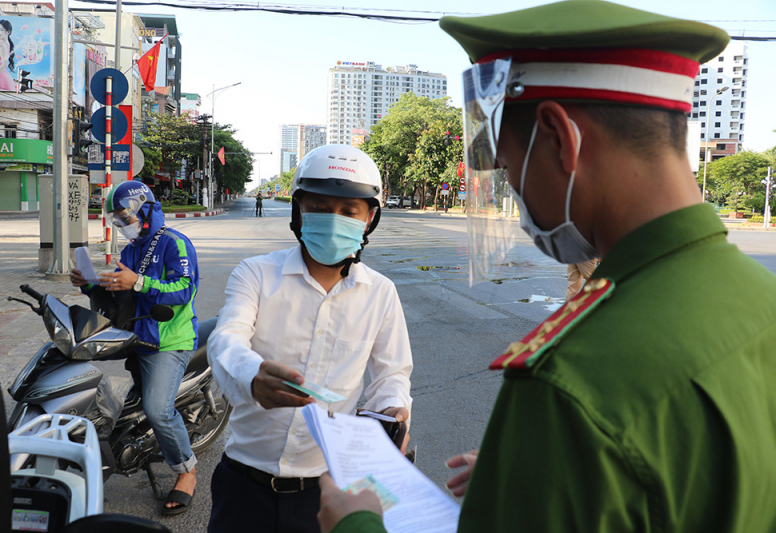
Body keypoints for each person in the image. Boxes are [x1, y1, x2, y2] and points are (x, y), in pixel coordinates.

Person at [318, 1, 776, 532]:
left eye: (509, 166)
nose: (515, 194)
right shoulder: (759, 299)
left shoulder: (571, 380)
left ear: (560, 138)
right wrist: (547, 480)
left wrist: (357, 525)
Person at [207, 144, 413, 533]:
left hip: (327, 493)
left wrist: (392, 410)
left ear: (369, 219)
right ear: (298, 210)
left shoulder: (381, 293)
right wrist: (252, 375)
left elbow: (392, 375)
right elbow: (226, 340)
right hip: (244, 486)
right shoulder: (256, 274)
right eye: (319, 207)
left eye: (349, 211)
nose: (333, 220)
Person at [69, 181, 201, 516]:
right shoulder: (131, 250)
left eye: (125, 216)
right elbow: (122, 293)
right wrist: (90, 284)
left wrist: (140, 282)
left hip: (170, 341)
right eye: (117, 219)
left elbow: (184, 289)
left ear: (146, 209)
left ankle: (186, 471)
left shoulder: (174, 243)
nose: (121, 223)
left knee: (158, 409)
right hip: (137, 335)